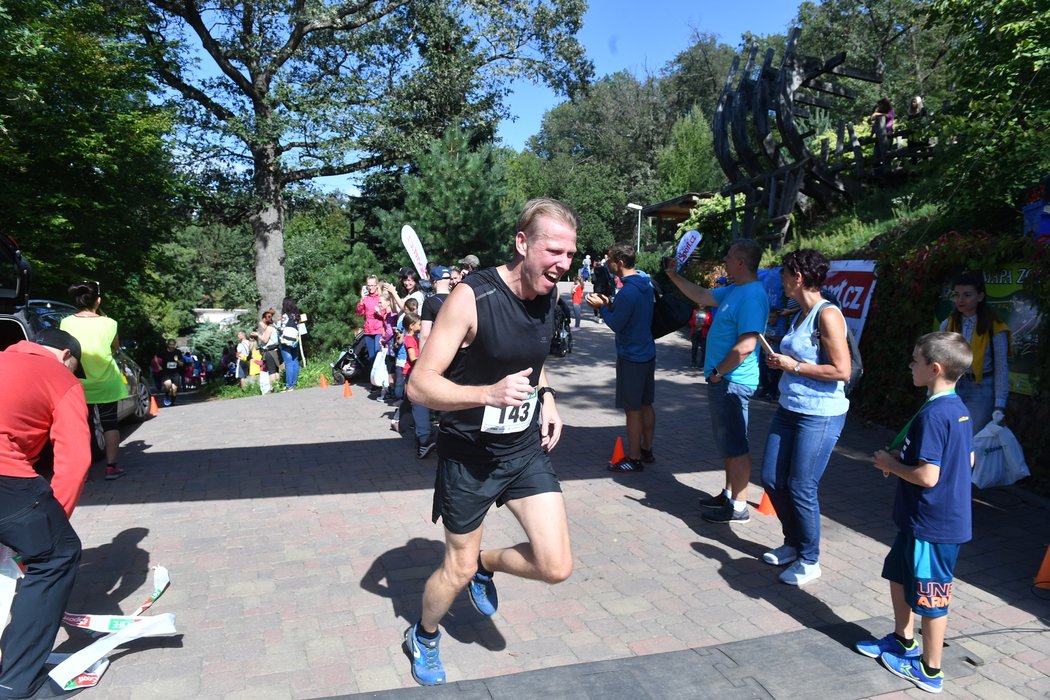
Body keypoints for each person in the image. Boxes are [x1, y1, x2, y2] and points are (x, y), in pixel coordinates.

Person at [402, 198, 575, 686]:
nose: (563, 264)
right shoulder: (471, 297)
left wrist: (548, 397)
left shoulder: (550, 296)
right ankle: (425, 634)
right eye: (554, 250)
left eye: (570, 254)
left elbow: (533, 360)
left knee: (556, 565)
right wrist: (487, 394)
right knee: (452, 572)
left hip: (521, 451)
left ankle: (486, 564)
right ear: (523, 243)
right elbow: (419, 385)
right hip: (469, 458)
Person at [858, 331, 974, 695]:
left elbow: (928, 475)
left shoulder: (935, 416)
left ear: (934, 368)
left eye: (915, 360)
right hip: (919, 519)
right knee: (898, 573)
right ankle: (902, 639)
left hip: (933, 525)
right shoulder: (956, 409)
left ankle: (930, 669)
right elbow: (967, 458)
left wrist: (891, 465)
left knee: (931, 596)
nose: (911, 366)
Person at [0, 328, 92, 699]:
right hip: (6, 473)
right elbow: (76, 460)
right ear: (68, 355)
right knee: (57, 554)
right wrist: (54, 523)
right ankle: (15, 684)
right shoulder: (61, 376)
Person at [759, 250, 851, 586]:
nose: (781, 280)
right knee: (771, 478)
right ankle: (792, 543)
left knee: (801, 486)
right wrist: (780, 361)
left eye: (784, 274)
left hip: (820, 414)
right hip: (790, 407)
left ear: (797, 278)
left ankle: (810, 559)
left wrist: (793, 365)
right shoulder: (799, 312)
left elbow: (842, 370)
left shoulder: (828, 315)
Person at [664, 239, 768, 523]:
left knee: (736, 445)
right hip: (723, 380)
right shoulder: (735, 290)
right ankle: (729, 494)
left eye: (729, 254)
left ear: (741, 263)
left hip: (732, 381)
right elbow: (701, 295)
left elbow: (747, 344)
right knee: (728, 444)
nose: (724, 258)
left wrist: (718, 373)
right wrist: (674, 275)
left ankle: (739, 506)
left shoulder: (752, 296)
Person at [586, 243, 656, 472]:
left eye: (610, 260)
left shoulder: (627, 291)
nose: (607, 263)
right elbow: (632, 314)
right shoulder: (645, 284)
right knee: (646, 404)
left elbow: (617, 324)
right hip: (647, 353)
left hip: (631, 357)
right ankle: (646, 449)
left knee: (632, 409)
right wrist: (610, 303)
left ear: (621, 263)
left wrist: (602, 308)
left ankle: (633, 458)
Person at [59, 281, 128, 480]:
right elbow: (114, 347)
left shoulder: (66, 323)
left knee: (83, 426)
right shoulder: (110, 323)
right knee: (109, 424)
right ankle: (111, 467)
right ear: (98, 300)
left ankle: (84, 471)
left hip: (78, 383)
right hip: (106, 381)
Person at [939, 270, 1009, 432]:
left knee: (972, 439)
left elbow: (1001, 366)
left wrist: (999, 404)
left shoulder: (995, 326)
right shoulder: (948, 325)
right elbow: (940, 361)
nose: (960, 300)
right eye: (956, 295)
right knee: (949, 435)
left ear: (980, 296)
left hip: (981, 390)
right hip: (952, 386)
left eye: (967, 295)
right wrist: (933, 391)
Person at [419, 266, 452, 350]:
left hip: (440, 349)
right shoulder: (459, 298)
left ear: (434, 281)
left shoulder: (429, 302)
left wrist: (421, 360)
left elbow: (425, 336)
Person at [356, 275, 384, 363]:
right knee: (371, 357)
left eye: (372, 285)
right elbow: (360, 313)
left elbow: (386, 312)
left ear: (376, 285)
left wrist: (379, 312)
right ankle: (372, 375)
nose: (370, 288)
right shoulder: (366, 298)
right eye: (369, 285)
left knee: (378, 353)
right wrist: (361, 299)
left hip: (379, 329)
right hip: (368, 330)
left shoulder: (380, 297)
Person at [251, 309, 280, 393]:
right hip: (275, 351)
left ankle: (272, 388)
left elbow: (265, 340)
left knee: (272, 370)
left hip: (269, 351)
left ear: (264, 320)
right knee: (276, 369)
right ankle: (277, 385)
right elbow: (264, 325)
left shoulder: (269, 329)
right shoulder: (273, 327)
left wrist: (258, 335)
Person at [278, 297, 302, 391]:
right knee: (295, 360)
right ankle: (294, 383)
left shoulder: (285, 316)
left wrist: (277, 324)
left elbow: (282, 328)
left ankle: (289, 385)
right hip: (294, 340)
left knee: (288, 363)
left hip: (285, 341)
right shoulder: (297, 316)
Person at [157, 339, 184, 406]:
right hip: (166, 372)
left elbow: (182, 364)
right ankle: (166, 395)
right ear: (168, 345)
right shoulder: (163, 352)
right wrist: (158, 365)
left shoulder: (178, 352)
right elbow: (155, 357)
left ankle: (172, 403)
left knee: (174, 390)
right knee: (168, 385)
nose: (172, 346)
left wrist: (177, 361)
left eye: (173, 345)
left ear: (175, 345)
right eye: (170, 345)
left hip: (175, 373)